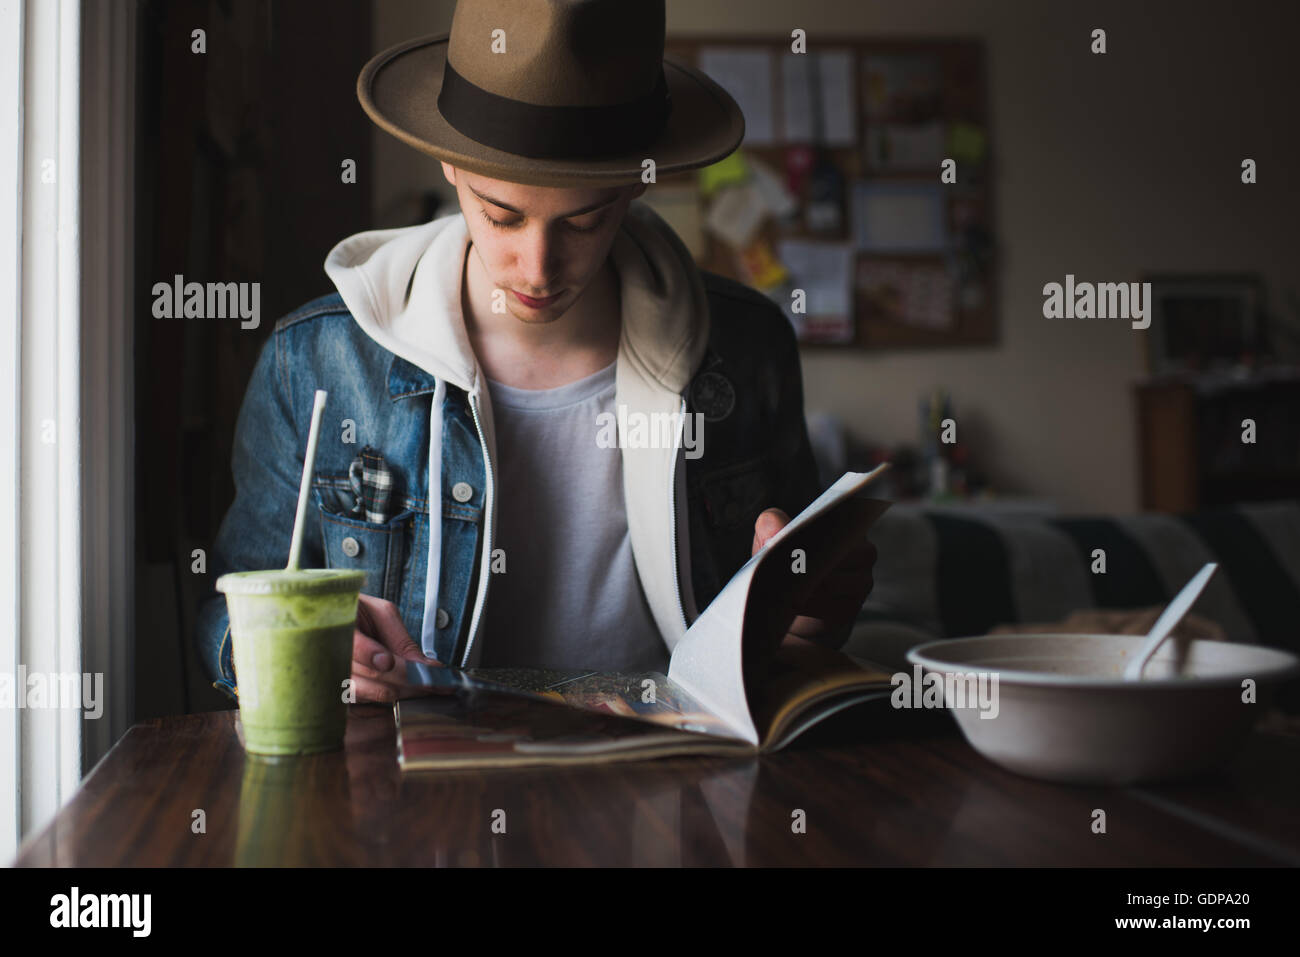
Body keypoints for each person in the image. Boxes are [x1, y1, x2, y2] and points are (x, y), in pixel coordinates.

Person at [194, 0, 877, 704]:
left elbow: (802, 616)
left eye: (585, 220)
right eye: (502, 215)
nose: (538, 268)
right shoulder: (316, 361)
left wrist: (812, 614)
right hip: (414, 800)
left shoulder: (748, 350)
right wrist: (301, 640)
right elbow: (227, 612)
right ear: (448, 164)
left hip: (681, 789)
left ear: (639, 183)